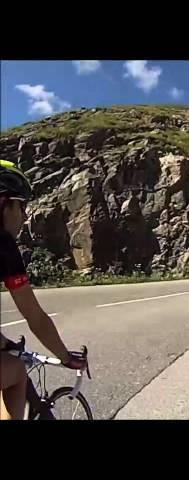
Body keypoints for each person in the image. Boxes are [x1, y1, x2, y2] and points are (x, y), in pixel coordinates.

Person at [0, 160, 87, 420]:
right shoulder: (3, 245)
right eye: (22, 206)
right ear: (4, 203)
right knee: (16, 372)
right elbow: (35, 317)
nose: (25, 216)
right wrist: (65, 357)